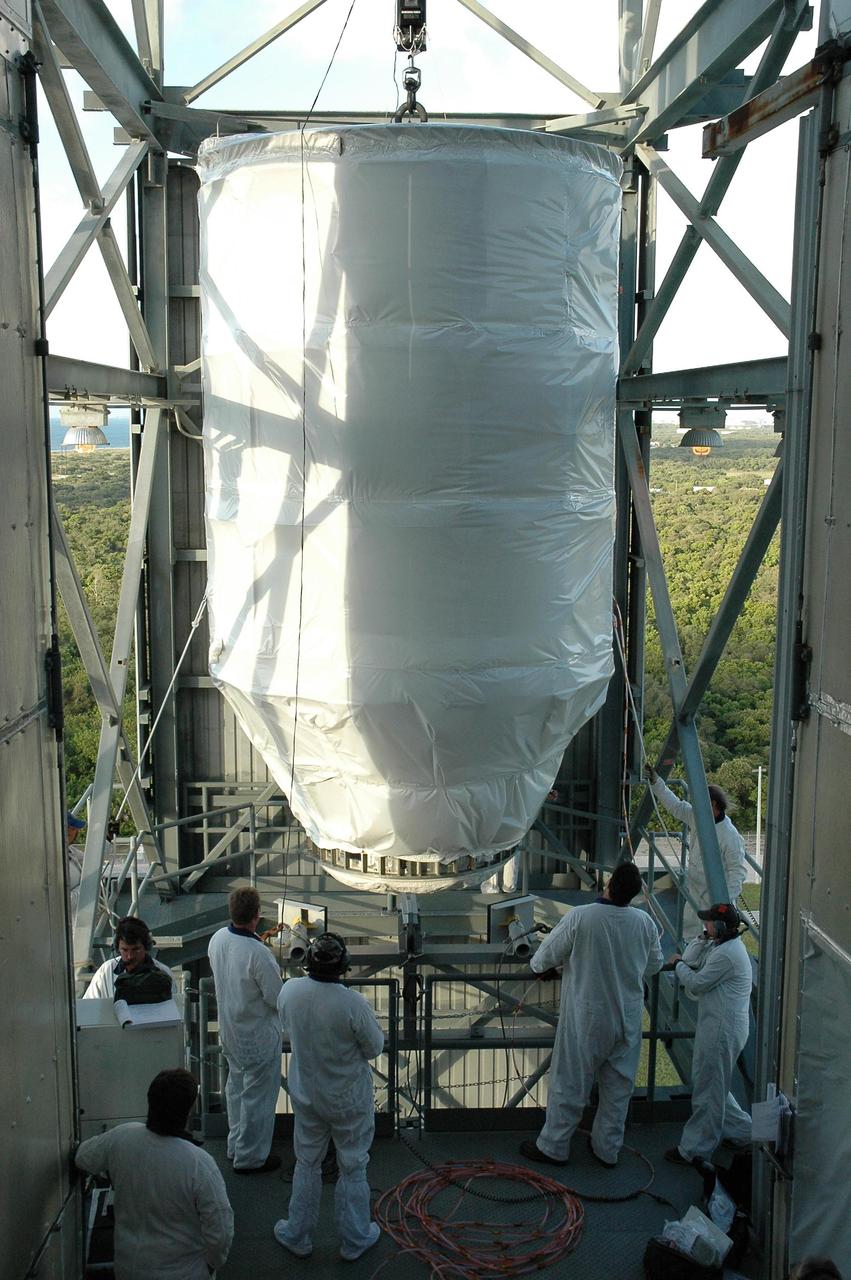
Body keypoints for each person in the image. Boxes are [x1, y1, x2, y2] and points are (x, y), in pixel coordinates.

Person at [519, 861, 663, 1168]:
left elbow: (540, 960)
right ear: (635, 894)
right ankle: (607, 1149)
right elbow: (653, 965)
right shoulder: (645, 923)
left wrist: (559, 967)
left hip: (588, 1016)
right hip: (628, 1017)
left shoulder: (581, 917)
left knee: (570, 1081)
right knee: (618, 1088)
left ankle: (554, 1146)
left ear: (609, 885)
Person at [274, 933, 384, 1262]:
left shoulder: (290, 991)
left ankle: (297, 1235)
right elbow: (374, 1047)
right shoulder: (352, 1003)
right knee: (353, 1166)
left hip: (307, 1095)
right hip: (348, 1099)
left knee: (307, 1163)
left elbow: (284, 1024)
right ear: (343, 968)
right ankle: (355, 1239)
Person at [75, 1068, 233, 1280]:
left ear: (151, 1101)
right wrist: (211, 1264)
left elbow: (82, 1157)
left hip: (129, 1269)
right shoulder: (199, 1164)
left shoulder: (122, 1137)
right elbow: (220, 1232)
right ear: (188, 1111)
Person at [664, 903, 753, 1165]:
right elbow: (692, 960)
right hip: (718, 1026)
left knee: (707, 1090)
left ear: (722, 927)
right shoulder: (721, 946)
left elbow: (695, 981)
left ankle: (695, 1150)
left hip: (721, 1030)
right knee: (715, 1086)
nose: (705, 926)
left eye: (709, 923)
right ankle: (745, 1133)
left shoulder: (727, 954)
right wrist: (701, 940)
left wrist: (678, 964)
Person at [208, 886, 283, 1173]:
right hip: (257, 1036)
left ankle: (235, 1144)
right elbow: (276, 998)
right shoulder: (258, 953)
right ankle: (250, 1157)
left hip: (230, 1031)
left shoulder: (218, 939)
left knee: (236, 1089)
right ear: (257, 915)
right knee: (258, 1099)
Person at [646, 766, 746, 939]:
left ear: (714, 805)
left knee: (715, 936)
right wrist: (656, 782)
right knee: (691, 933)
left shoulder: (730, 836)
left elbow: (737, 872)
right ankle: (691, 961)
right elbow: (675, 806)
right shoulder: (698, 816)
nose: (696, 808)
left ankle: (712, 962)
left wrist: (724, 902)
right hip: (695, 889)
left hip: (715, 897)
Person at [83, 916, 174, 1000]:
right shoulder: (106, 971)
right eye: (125, 950)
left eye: (136, 949)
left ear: (146, 947)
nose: (130, 956)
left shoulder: (164, 973)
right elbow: (89, 1006)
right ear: (117, 948)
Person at [66, 809, 86, 917]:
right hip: (67, 927)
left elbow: (93, 861)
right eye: (69, 827)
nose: (71, 831)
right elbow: (64, 904)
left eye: (74, 828)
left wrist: (108, 839)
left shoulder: (72, 852)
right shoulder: (49, 861)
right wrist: (86, 889)